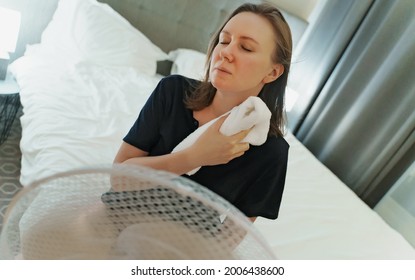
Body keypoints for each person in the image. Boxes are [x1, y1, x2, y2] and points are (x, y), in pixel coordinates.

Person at [113, 3, 292, 223]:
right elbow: (118, 178)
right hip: (121, 211)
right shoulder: (172, 92)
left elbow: (231, 237)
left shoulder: (271, 151)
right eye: (224, 41)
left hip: (184, 247)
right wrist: (192, 157)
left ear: (273, 72)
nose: (225, 52)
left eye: (245, 47)